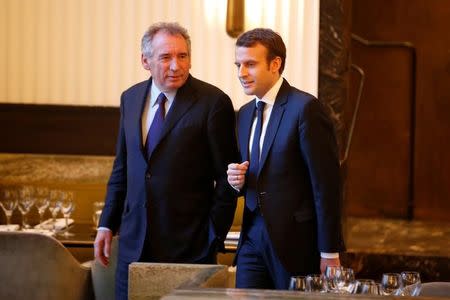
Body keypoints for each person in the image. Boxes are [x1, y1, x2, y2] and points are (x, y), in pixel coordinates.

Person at [94, 22, 239, 300]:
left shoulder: (213, 102)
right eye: (166, 57)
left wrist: (213, 235)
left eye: (182, 56)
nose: (176, 65)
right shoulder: (131, 98)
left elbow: (227, 177)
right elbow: (123, 168)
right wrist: (106, 224)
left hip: (190, 248)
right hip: (133, 245)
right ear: (145, 61)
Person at [227, 28, 346, 290]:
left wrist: (329, 250)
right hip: (250, 240)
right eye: (238, 65)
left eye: (250, 64)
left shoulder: (305, 109)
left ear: (275, 64)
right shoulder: (245, 114)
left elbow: (326, 185)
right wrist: (236, 180)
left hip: (295, 243)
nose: (241, 73)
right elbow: (256, 174)